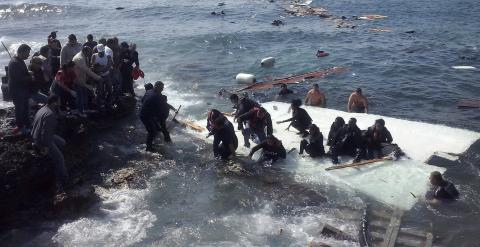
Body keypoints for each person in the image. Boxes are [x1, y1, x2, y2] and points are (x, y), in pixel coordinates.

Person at [31, 94, 68, 190]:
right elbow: (45, 133)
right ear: (55, 102)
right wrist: (46, 147)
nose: (60, 102)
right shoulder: (50, 115)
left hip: (37, 134)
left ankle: (55, 156)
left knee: (62, 142)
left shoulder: (43, 109)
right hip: (42, 139)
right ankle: (64, 180)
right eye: (59, 101)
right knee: (60, 159)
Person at [139, 81, 178, 151]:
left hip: (144, 113)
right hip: (146, 116)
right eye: (161, 88)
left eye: (162, 88)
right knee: (152, 131)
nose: (162, 90)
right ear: (156, 86)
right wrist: (172, 110)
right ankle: (148, 148)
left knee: (156, 129)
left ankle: (153, 142)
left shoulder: (149, 91)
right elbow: (164, 106)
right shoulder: (157, 96)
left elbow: (142, 101)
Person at [8, 44, 34, 134]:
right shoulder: (15, 63)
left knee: (26, 108)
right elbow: (18, 79)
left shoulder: (20, 60)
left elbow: (23, 73)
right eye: (27, 53)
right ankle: (21, 127)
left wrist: (28, 73)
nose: (28, 55)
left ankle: (28, 124)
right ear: (21, 52)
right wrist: (30, 78)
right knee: (19, 109)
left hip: (23, 89)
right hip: (17, 90)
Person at [73, 46, 103, 116]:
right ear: (85, 51)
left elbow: (87, 68)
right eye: (89, 53)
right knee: (80, 97)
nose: (90, 54)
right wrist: (98, 78)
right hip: (78, 80)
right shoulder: (80, 59)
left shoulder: (83, 56)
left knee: (84, 95)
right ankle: (80, 112)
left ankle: (85, 109)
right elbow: (87, 70)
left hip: (82, 79)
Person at [91, 44, 113, 110]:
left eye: (102, 51)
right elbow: (93, 66)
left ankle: (109, 103)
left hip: (106, 75)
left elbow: (108, 67)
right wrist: (99, 69)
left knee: (109, 89)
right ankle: (99, 105)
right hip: (98, 76)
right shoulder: (94, 56)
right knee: (100, 92)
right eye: (100, 52)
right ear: (98, 51)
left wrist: (100, 70)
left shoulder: (108, 56)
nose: (101, 53)